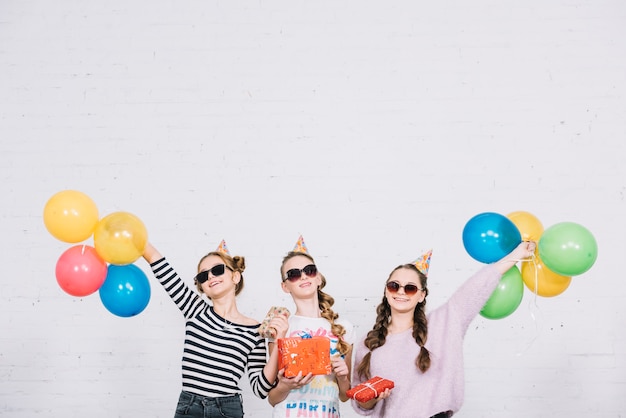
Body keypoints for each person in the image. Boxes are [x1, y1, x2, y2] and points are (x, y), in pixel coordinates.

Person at [351, 241, 537, 418]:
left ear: (421, 295)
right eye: (394, 286)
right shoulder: (369, 344)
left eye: (410, 288)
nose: (400, 292)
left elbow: (474, 289)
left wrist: (517, 255)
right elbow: (360, 403)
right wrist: (372, 397)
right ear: (386, 291)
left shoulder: (443, 323)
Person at [141, 239, 280, 418]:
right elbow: (160, 265)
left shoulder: (255, 330)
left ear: (235, 277)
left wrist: (277, 343)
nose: (211, 277)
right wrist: (135, 238)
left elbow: (261, 389)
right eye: (203, 276)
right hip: (189, 407)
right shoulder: (194, 309)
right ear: (202, 288)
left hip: (227, 410)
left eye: (217, 270)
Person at [266, 236, 357, 418]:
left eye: (309, 270)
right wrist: (286, 385)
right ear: (285, 286)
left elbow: (344, 395)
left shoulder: (343, 328)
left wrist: (342, 377)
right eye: (294, 274)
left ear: (318, 278)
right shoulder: (281, 327)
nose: (304, 276)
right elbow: (273, 397)